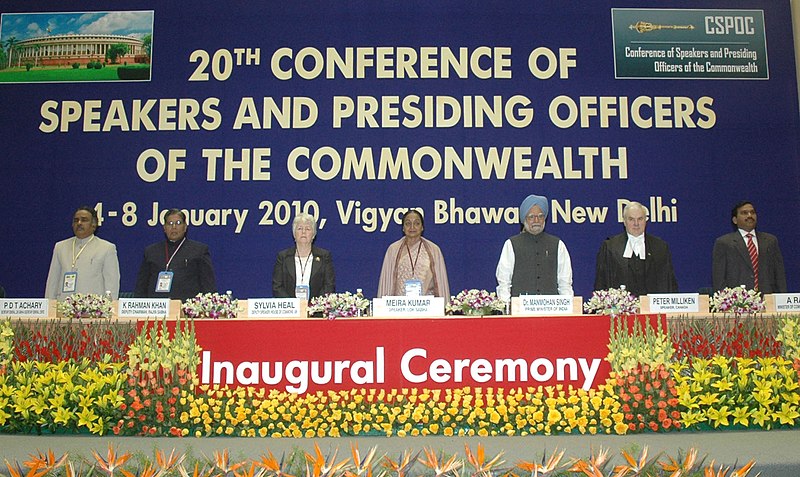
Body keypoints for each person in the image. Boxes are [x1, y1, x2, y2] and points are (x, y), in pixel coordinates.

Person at [496, 194, 573, 300]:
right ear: (524, 219)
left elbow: (565, 283)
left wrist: (567, 308)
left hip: (552, 310)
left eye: (540, 216)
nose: (536, 220)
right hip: (520, 311)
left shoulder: (558, 244)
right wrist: (507, 308)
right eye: (531, 217)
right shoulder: (511, 244)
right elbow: (504, 282)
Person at [594, 201, 678, 296]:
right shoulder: (610, 247)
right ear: (624, 221)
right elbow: (601, 284)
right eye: (631, 219)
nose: (636, 223)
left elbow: (669, 283)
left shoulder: (660, 247)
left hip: (652, 309)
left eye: (640, 219)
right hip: (621, 309)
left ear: (646, 220)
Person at [134, 208, 217, 301]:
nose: (173, 227)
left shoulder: (199, 250)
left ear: (185, 227)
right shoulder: (151, 251)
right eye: (169, 223)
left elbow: (208, 287)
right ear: (164, 228)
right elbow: (141, 287)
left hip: (186, 309)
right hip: (156, 309)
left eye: (178, 223)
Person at [45, 206, 120, 300]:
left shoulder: (107, 248)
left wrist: (110, 309)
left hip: (93, 309)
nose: (79, 223)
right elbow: (52, 281)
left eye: (84, 220)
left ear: (94, 224)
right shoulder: (60, 247)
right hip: (63, 306)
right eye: (76, 220)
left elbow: (112, 284)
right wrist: (49, 306)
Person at [712, 201, 786, 293]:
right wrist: (725, 302)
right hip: (738, 302)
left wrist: (782, 298)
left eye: (752, 212)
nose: (749, 215)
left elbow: (779, 275)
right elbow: (719, 279)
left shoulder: (770, 241)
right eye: (744, 213)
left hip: (768, 300)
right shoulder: (724, 243)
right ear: (735, 220)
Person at [377, 209, 450, 298]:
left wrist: (445, 308)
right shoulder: (393, 250)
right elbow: (386, 283)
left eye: (417, 223)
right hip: (399, 307)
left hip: (427, 307)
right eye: (408, 223)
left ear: (422, 227)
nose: (412, 227)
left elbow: (441, 284)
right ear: (403, 228)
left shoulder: (433, 250)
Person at [272, 213, 336, 299]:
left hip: (316, 309)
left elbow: (329, 286)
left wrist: (313, 306)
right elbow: (277, 287)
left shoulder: (324, 256)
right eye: (299, 228)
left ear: (313, 235)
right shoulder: (283, 257)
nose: (303, 232)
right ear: (294, 234)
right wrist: (294, 306)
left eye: (308, 229)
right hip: (290, 309)